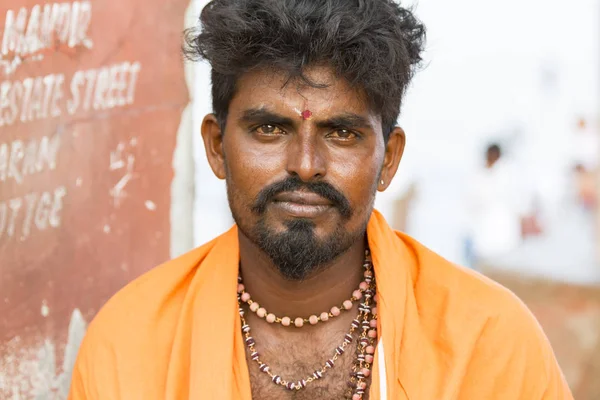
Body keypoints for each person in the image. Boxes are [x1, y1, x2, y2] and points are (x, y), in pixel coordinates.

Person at [68, 1, 572, 399]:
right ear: (217, 147)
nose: (305, 164)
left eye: (342, 134)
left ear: (389, 160)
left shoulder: (488, 342)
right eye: (268, 129)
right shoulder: (130, 344)